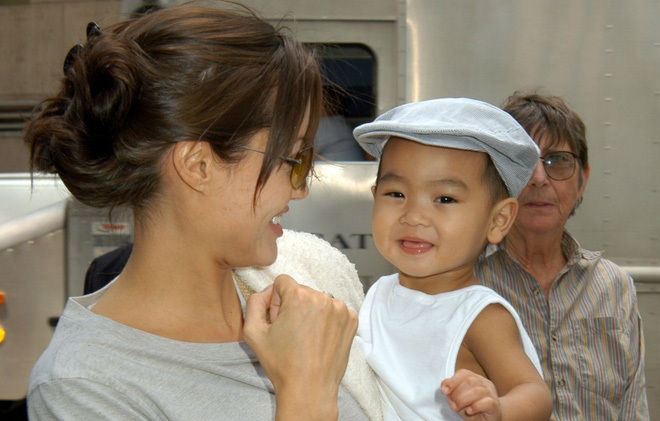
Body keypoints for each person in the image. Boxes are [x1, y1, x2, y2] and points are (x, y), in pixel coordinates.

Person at [23, 3, 381, 419]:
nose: (299, 190)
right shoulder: (84, 386)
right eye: (294, 159)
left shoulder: (314, 273)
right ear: (198, 167)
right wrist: (306, 394)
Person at [353, 98, 553, 420]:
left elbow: (536, 395)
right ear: (375, 197)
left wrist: (499, 407)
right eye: (396, 194)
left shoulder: (479, 316)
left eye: (445, 198)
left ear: (498, 220)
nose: (414, 216)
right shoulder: (379, 293)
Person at [474, 91, 649, 420]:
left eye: (558, 160)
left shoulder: (614, 287)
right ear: (498, 178)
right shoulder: (467, 282)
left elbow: (632, 406)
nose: (539, 179)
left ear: (583, 180)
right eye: (522, 161)